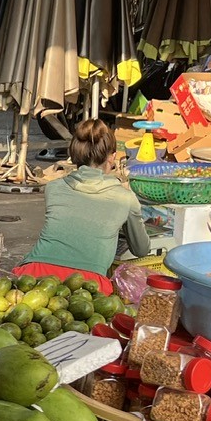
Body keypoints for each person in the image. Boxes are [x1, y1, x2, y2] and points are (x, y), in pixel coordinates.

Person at [14, 119, 149, 295]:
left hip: (34, 275)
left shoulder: (53, 188)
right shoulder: (125, 198)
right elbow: (141, 249)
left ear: (74, 154)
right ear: (112, 156)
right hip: (87, 285)